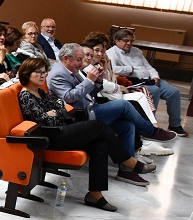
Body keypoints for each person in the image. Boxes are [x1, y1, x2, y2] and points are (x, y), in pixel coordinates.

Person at [16, 58, 155, 209]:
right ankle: (128, 161)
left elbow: (62, 106)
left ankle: (95, 194)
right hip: (49, 137)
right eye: (38, 72)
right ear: (27, 74)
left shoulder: (39, 92)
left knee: (99, 144)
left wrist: (55, 112)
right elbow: (45, 122)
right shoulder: (26, 96)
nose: (43, 75)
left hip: (59, 130)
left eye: (44, 72)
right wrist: (57, 112)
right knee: (99, 126)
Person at [47, 43, 176, 185]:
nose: (80, 63)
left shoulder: (71, 69)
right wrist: (89, 80)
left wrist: (98, 81)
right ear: (66, 58)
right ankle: (151, 131)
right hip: (78, 116)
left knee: (127, 126)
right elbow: (68, 97)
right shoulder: (58, 73)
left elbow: (88, 94)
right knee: (124, 105)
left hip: (89, 108)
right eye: (79, 59)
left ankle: (126, 171)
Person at [106, 29, 187, 136]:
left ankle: (175, 125)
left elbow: (148, 66)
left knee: (173, 92)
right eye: (126, 41)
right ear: (117, 41)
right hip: (135, 82)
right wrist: (129, 69)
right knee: (155, 91)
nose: (129, 43)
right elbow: (112, 69)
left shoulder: (136, 51)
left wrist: (155, 76)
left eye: (131, 41)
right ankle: (150, 125)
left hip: (149, 79)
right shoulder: (111, 52)